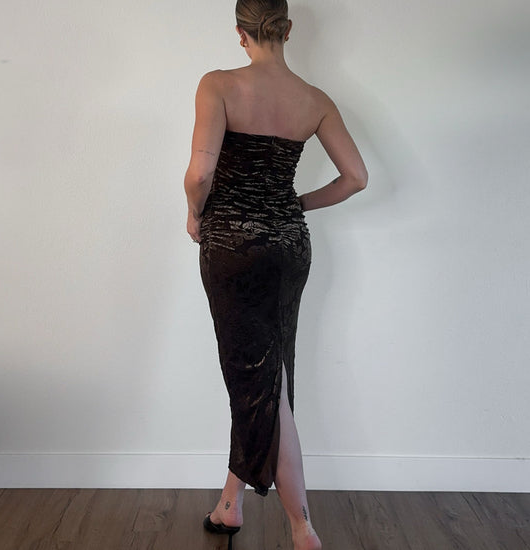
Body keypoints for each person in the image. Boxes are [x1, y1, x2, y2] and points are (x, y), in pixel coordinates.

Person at [184, 1, 368, 549]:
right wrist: (296, 205)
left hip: (232, 245)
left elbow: (200, 173)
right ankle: (230, 504)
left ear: (240, 34)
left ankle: (302, 528)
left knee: (261, 384)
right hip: (289, 246)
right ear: (287, 30)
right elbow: (356, 178)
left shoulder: (218, 84)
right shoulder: (315, 100)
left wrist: (194, 214)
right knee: (267, 376)